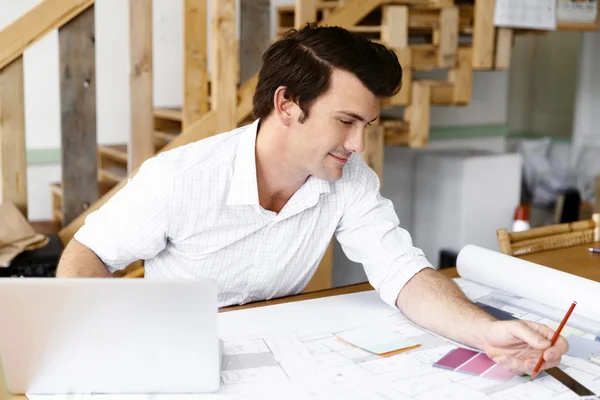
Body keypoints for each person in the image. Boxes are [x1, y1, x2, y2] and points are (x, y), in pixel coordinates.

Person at [56, 23, 567, 376]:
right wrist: (111, 342)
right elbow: (88, 254)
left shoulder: (350, 178)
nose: (357, 145)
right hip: (175, 353)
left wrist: (486, 332)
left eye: (365, 126)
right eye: (345, 122)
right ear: (287, 105)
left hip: (278, 351)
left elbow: (403, 274)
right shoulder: (179, 177)